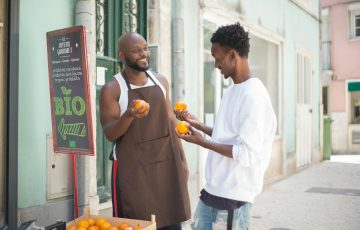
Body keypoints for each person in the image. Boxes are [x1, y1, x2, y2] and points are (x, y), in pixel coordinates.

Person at [175, 22, 277, 230]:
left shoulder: (254, 95)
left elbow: (246, 153)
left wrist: (202, 143)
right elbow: (228, 136)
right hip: (213, 190)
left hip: (234, 197)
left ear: (232, 55)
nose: (215, 64)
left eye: (217, 58)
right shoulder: (233, 90)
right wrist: (199, 126)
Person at [99, 32, 191, 230]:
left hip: (165, 164)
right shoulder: (113, 89)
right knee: (135, 223)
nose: (143, 54)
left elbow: (170, 120)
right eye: (136, 50)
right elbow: (110, 133)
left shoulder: (161, 81)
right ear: (122, 55)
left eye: (145, 48)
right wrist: (129, 114)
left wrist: (182, 160)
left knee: (171, 223)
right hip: (132, 169)